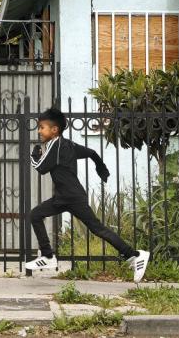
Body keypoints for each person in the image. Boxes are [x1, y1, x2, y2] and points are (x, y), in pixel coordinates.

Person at [25, 107, 149, 282]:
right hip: (64, 197)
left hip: (72, 198)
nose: (39, 131)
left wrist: (34, 155)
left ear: (54, 130)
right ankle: (48, 257)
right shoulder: (68, 144)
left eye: (42, 127)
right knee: (36, 214)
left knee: (97, 228)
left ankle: (136, 255)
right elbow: (91, 153)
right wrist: (101, 168)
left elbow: (41, 168)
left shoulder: (55, 144)